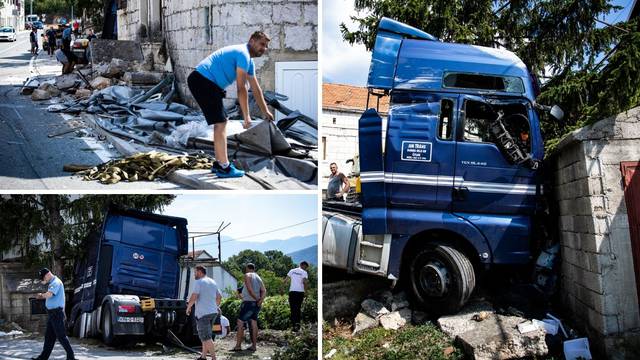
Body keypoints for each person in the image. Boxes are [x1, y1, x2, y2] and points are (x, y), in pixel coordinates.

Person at [187, 31, 274, 178]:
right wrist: (246, 117)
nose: (264, 49)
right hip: (203, 80)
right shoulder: (243, 54)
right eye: (262, 44)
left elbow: (255, 88)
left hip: (205, 82)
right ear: (252, 41)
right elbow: (241, 87)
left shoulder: (248, 61)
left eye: (266, 46)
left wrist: (265, 110)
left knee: (220, 123)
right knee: (221, 123)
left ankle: (219, 163)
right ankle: (224, 167)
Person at [31, 268, 76, 360]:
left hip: (56, 313)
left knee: (61, 336)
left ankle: (71, 357)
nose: (43, 280)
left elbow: (50, 295)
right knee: (49, 337)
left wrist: (41, 296)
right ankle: (43, 357)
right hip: (53, 314)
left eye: (43, 278)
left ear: (47, 274)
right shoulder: (52, 282)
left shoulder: (55, 282)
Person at [186, 265, 222, 360]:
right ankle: (203, 356)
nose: (194, 274)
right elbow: (219, 297)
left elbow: (194, 296)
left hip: (203, 314)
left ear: (200, 272)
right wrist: (216, 306)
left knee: (206, 337)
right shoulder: (212, 282)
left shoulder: (199, 282)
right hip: (213, 313)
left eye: (195, 272)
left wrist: (188, 307)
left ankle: (214, 358)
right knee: (204, 336)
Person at [233, 263, 265, 352]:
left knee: (240, 322)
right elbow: (264, 290)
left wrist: (257, 299)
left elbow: (250, 290)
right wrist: (260, 300)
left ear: (247, 268)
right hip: (257, 304)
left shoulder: (247, 275)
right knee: (254, 323)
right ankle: (254, 346)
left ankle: (238, 346)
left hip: (248, 303)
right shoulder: (258, 277)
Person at [285, 261, 309, 331]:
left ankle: (293, 326)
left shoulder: (292, 271)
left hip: (292, 292)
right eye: (306, 267)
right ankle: (297, 326)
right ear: (304, 265)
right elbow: (304, 282)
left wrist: (282, 289)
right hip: (300, 293)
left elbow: (286, 280)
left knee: (292, 309)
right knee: (298, 308)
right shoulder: (304, 272)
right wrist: (306, 292)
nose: (306, 269)